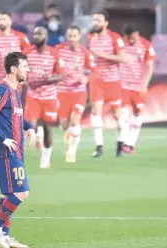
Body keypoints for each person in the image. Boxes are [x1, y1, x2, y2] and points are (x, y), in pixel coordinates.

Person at [0, 52, 36, 248]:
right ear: (14, 69)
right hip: (6, 151)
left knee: (8, 194)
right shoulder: (4, 89)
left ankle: (4, 235)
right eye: (25, 66)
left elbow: (17, 116)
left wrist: (29, 126)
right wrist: (2, 137)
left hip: (16, 151)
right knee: (22, 192)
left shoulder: (16, 89)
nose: (28, 69)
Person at [87, 10, 127, 157]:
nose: (95, 23)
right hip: (97, 80)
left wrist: (103, 55)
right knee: (96, 112)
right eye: (94, 20)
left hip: (113, 80)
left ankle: (120, 144)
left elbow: (123, 58)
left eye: (98, 20)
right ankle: (99, 147)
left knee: (117, 114)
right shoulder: (91, 38)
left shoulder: (115, 37)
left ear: (106, 23)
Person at [23, 26, 64, 169]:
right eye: (34, 34)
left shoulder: (54, 53)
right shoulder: (26, 53)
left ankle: (45, 159)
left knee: (48, 128)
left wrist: (48, 79)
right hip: (33, 96)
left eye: (39, 34)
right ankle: (36, 136)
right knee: (30, 126)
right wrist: (26, 81)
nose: (36, 36)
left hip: (49, 97)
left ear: (46, 37)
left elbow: (62, 75)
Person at [56, 25, 96, 162]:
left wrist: (87, 78)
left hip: (78, 91)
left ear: (79, 37)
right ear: (67, 37)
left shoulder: (85, 52)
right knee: (64, 124)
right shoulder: (58, 50)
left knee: (75, 120)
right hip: (62, 91)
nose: (72, 39)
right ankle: (68, 133)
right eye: (70, 36)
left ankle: (71, 153)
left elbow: (93, 70)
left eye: (74, 36)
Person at [120, 23, 155, 153]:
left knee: (138, 114)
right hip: (122, 84)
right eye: (133, 37)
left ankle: (130, 144)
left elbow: (150, 66)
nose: (135, 39)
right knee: (123, 112)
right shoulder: (120, 44)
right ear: (127, 36)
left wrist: (145, 84)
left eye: (137, 36)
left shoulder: (145, 45)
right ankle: (123, 142)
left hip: (137, 85)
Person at [0, 12, 30, 85]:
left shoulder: (20, 37)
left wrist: (24, 75)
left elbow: (29, 56)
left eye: (4, 19)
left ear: (10, 21)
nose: (1, 22)